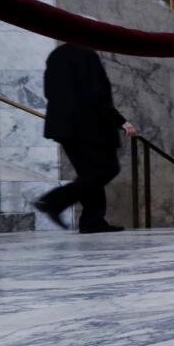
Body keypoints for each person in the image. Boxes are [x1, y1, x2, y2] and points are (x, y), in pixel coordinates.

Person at [34, 44, 137, 233]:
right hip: (88, 126)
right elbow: (97, 94)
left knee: (90, 175)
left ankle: (92, 221)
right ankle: (53, 201)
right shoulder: (86, 55)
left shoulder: (56, 54)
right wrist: (120, 121)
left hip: (62, 126)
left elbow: (49, 91)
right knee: (107, 169)